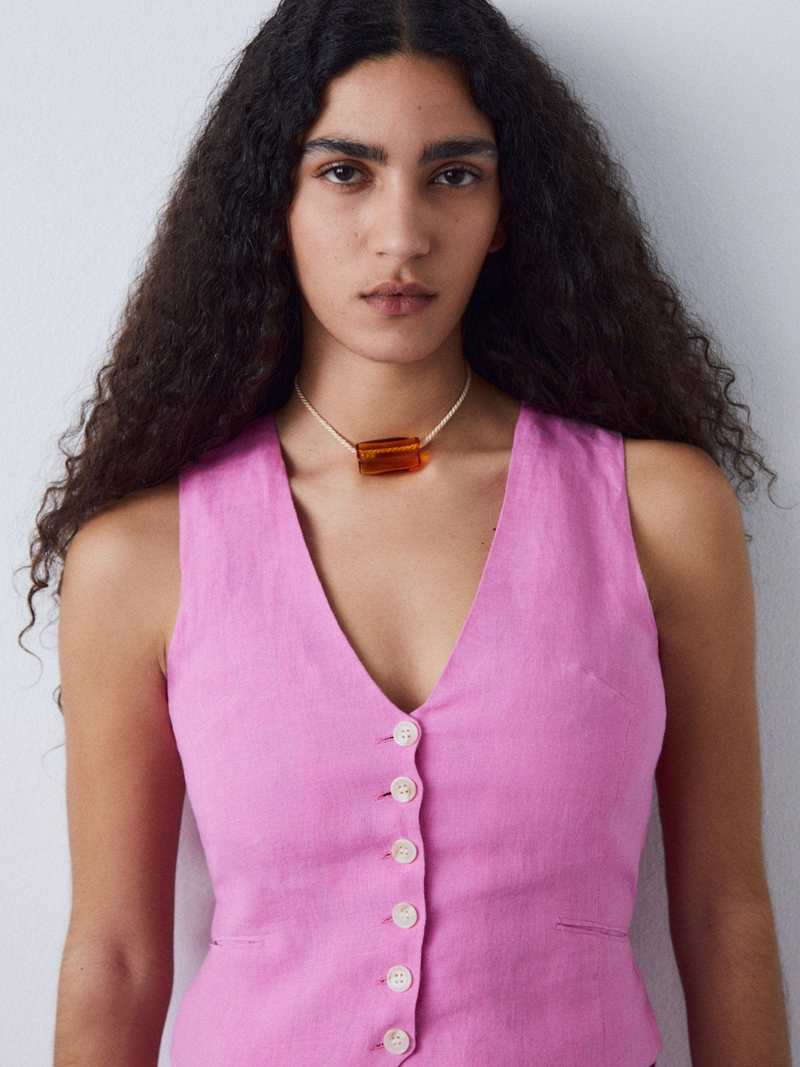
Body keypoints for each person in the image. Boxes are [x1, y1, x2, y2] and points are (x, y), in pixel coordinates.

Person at [20, 1, 790, 1064]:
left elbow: (721, 912)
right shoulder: (142, 556)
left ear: (506, 208)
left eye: (453, 174)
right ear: (274, 200)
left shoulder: (655, 513)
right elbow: (114, 956)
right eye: (345, 171)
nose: (402, 235)